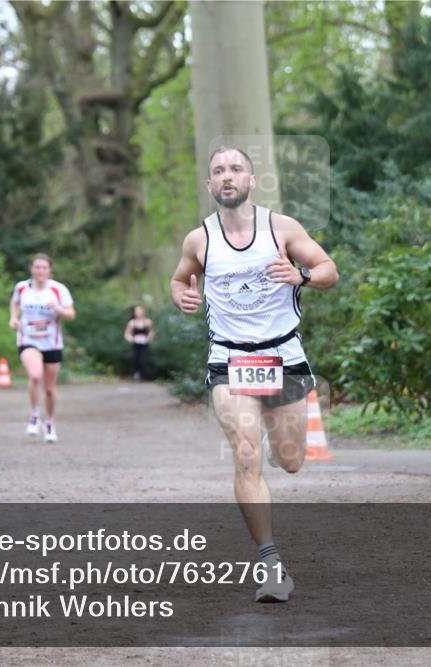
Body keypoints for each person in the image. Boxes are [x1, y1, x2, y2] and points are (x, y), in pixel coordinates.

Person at [170, 146, 338, 602]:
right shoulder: (198, 240)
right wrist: (181, 297)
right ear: (210, 186)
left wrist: (300, 276)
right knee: (246, 454)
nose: (227, 176)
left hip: (282, 355)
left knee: (291, 461)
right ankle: (271, 566)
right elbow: (180, 278)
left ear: (252, 180)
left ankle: (266, 430)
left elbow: (328, 270)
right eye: (219, 171)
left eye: (236, 169)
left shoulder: (281, 228)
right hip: (230, 359)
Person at [9, 254, 75, 443]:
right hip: (28, 339)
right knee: (35, 375)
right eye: (37, 267)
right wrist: (13, 318)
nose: (40, 271)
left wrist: (58, 309)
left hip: (52, 343)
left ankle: (50, 422)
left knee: (49, 389)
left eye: (44, 267)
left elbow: (71, 314)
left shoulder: (58, 289)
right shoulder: (21, 287)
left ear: (50, 270)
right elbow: (14, 302)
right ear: (31, 269)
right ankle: (35, 415)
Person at [124, 305, 155, 381]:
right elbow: (127, 334)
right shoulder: (132, 323)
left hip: (144, 344)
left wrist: (149, 338)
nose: (138, 313)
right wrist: (132, 339)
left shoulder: (148, 322)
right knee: (135, 359)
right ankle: (137, 373)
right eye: (137, 311)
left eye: (140, 311)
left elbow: (152, 331)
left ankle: (143, 375)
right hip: (136, 344)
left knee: (143, 360)